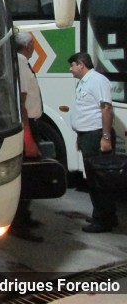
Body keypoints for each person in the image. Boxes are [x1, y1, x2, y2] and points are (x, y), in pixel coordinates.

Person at [67, 51, 117, 233]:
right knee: (95, 178)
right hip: (87, 135)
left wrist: (105, 137)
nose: (70, 69)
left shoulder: (97, 80)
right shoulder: (85, 82)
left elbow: (106, 109)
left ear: (81, 64)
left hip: (96, 135)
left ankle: (102, 220)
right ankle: (105, 214)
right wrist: (80, 137)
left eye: (72, 65)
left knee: (98, 180)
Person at [8, 32, 44, 242]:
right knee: (27, 177)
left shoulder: (21, 62)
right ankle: (19, 223)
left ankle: (25, 217)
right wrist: (28, 138)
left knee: (29, 176)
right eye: (33, 44)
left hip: (29, 124)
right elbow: (21, 104)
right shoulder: (20, 64)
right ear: (28, 45)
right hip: (27, 126)